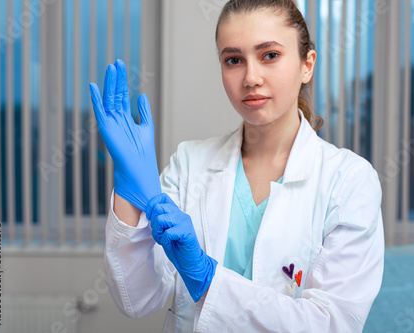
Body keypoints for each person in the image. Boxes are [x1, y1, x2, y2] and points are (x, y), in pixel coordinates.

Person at [89, 0, 384, 331]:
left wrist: (208, 278)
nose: (251, 77)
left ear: (307, 64)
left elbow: (330, 324)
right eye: (233, 60)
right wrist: (130, 192)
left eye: (269, 55)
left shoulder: (348, 182)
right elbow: (137, 298)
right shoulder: (190, 165)